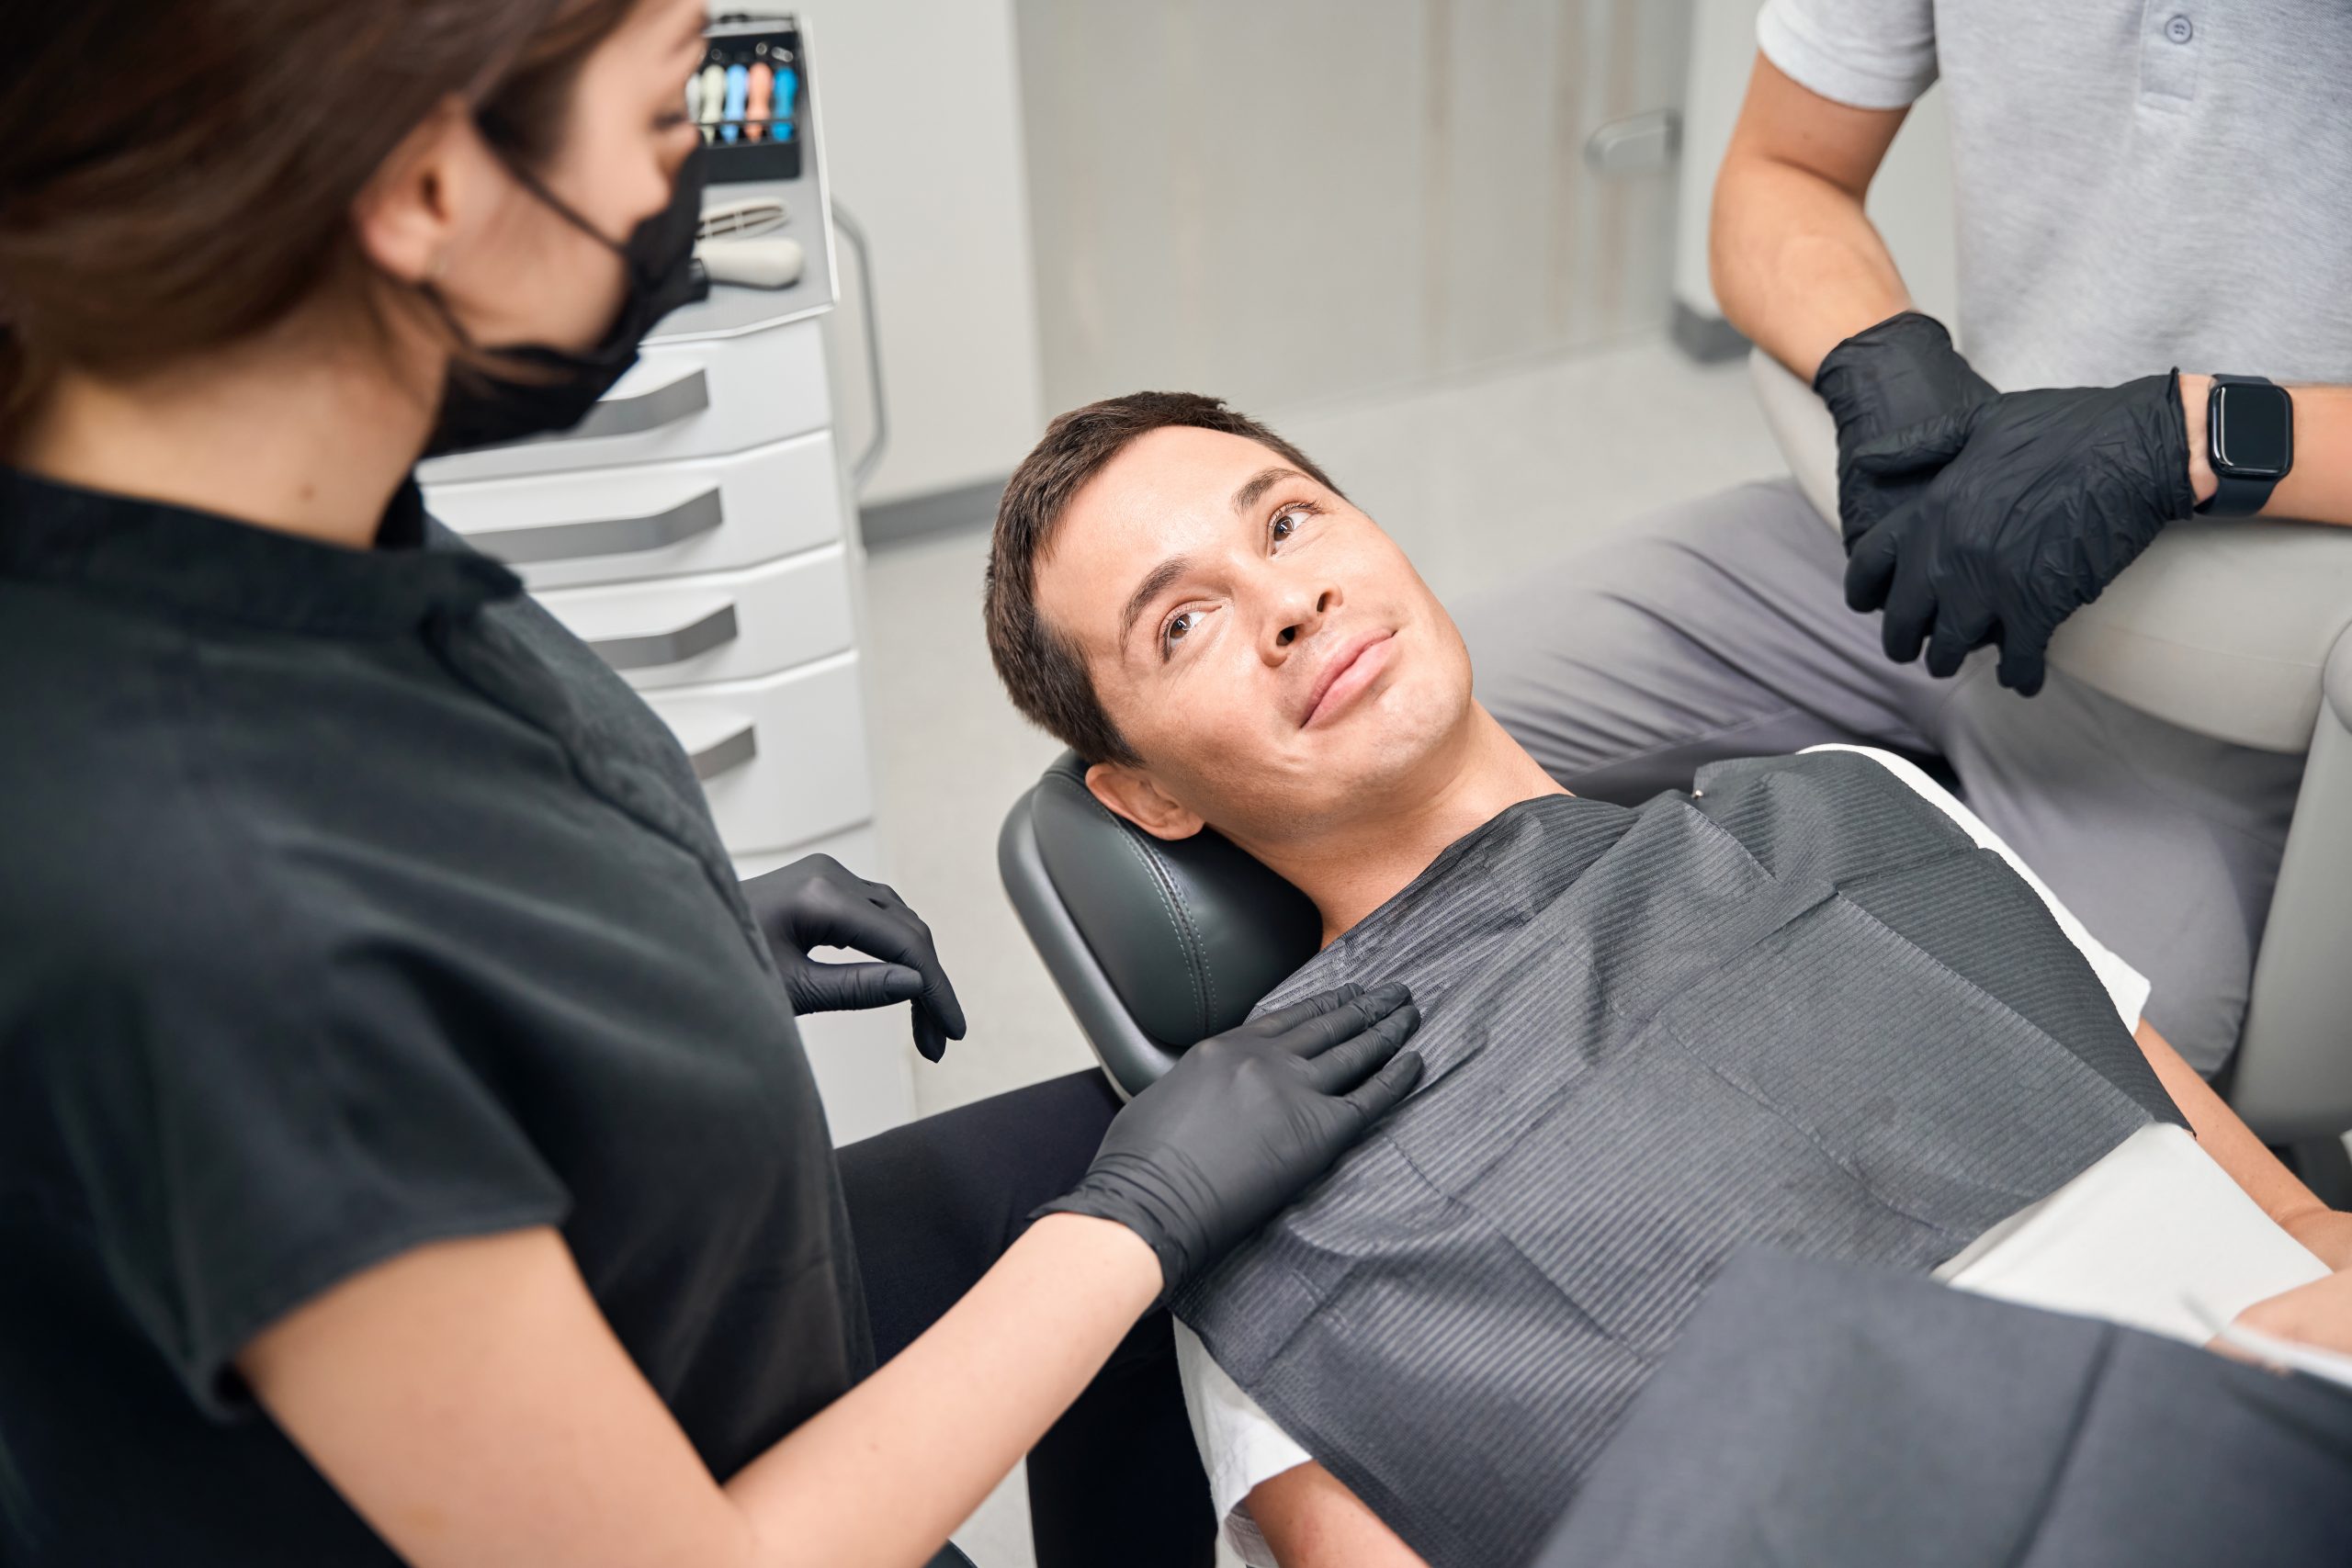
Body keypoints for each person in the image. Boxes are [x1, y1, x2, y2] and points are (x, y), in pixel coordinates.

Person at [0, 6, 1423, 1565]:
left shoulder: (259, 487)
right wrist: (1134, 1216)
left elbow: (409, 882)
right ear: (427, 190)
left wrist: (651, 942)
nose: (693, 176)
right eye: (668, 112)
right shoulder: (199, 917)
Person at [980, 390, 2352, 1568]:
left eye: (1286, 523)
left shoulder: (1855, 807)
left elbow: (2293, 1218)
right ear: (1147, 796)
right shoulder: (1266, 1238)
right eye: (1182, 624)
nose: (1288, 603)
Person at [1460, 1, 2352, 1080]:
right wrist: (1877, 357)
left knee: (2073, 1073)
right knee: (1377, 739)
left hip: (2207, 681)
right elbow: (1782, 170)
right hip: (1904, 545)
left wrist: (2207, 436)